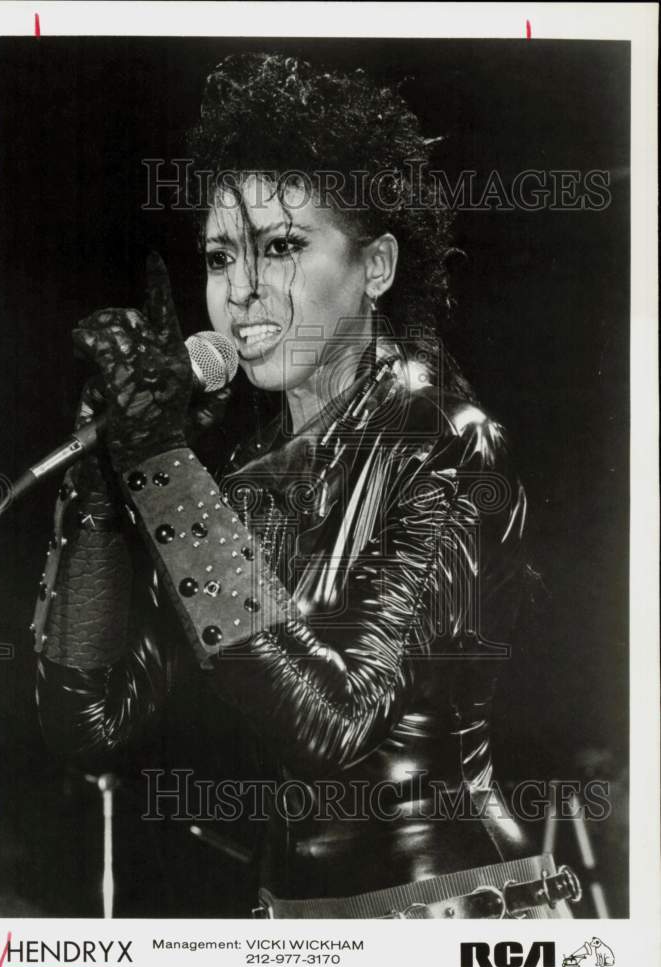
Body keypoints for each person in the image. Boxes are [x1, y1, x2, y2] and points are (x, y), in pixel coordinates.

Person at [32, 53, 580, 919]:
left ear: (376, 266)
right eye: (219, 258)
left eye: (282, 248)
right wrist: (101, 491)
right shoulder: (233, 472)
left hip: (451, 918)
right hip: (290, 929)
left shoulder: (450, 445)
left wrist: (164, 472)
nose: (241, 291)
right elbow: (89, 721)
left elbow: (334, 722)